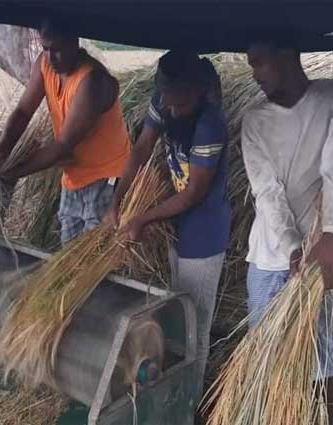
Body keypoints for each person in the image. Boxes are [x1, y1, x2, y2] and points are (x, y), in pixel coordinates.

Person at [241, 39, 333, 425]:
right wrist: (294, 247)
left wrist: (331, 234)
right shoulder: (254, 120)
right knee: (268, 361)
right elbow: (267, 191)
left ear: (287, 56)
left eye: (259, 63)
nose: (255, 74)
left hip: (324, 255)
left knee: (324, 362)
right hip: (271, 256)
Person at [105, 50, 231, 400]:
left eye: (179, 105)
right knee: (179, 311)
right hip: (177, 225)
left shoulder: (210, 125)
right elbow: (143, 147)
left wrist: (142, 218)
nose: (171, 111)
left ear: (197, 92)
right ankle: (173, 386)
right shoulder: (166, 98)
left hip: (204, 234)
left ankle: (189, 400)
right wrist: (116, 200)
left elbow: (192, 195)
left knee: (196, 323)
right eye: (167, 102)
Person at [0, 19, 130, 245]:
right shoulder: (45, 65)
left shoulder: (91, 81)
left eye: (57, 49)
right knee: (68, 253)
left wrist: (14, 171)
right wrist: (5, 144)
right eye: (45, 48)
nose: (51, 57)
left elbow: (62, 145)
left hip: (105, 178)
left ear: (74, 43)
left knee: (93, 256)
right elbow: (24, 110)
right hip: (74, 178)